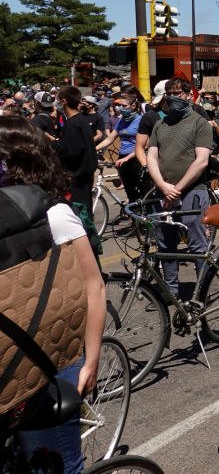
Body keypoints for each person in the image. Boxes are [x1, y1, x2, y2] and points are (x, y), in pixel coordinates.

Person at [1, 116, 106, 474]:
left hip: (53, 360)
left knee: (57, 465)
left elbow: (94, 286)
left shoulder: (54, 214)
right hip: (6, 367)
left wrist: (90, 360)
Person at [146, 76, 214, 298]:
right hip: (163, 194)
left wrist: (177, 189)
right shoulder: (159, 124)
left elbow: (201, 161)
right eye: (170, 93)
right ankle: (171, 292)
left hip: (193, 193)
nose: (173, 97)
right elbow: (151, 158)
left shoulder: (199, 123)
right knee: (166, 247)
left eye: (178, 93)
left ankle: (199, 293)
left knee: (197, 247)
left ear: (187, 95)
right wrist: (163, 186)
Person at [53, 86, 98, 219]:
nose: (56, 104)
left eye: (58, 100)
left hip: (76, 180)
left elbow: (70, 152)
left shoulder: (72, 124)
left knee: (79, 216)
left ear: (64, 101)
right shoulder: (81, 120)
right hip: (85, 177)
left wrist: (54, 143)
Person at [96, 90, 147, 206]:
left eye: (124, 106)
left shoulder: (141, 120)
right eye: (120, 105)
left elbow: (145, 145)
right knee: (129, 191)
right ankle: (133, 217)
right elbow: (110, 139)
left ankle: (143, 217)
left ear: (133, 106)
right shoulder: (121, 120)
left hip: (136, 158)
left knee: (140, 191)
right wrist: (93, 149)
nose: (120, 108)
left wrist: (127, 158)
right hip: (122, 158)